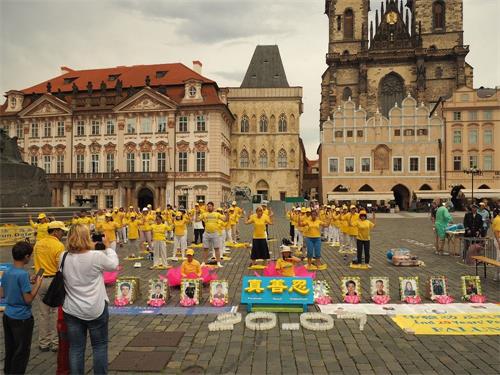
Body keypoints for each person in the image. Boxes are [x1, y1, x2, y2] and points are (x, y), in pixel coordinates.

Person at [62, 224, 119, 375]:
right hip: (95, 307)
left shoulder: (63, 256)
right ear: (87, 237)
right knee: (99, 346)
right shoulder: (96, 256)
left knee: (76, 348)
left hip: (72, 309)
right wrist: (108, 248)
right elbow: (114, 266)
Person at [1, 241, 43, 374]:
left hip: (8, 315)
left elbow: (2, 293)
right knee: (22, 352)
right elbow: (28, 299)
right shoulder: (23, 274)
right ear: (26, 257)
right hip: (22, 318)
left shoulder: (7, 272)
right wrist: (37, 284)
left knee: (11, 349)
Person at [33, 220, 68, 352]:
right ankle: (55, 342)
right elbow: (60, 266)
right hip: (54, 281)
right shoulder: (58, 245)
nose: (62, 234)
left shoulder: (38, 244)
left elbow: (39, 265)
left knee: (43, 313)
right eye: (61, 231)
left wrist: (40, 276)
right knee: (55, 313)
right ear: (55, 231)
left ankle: (43, 342)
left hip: (40, 280)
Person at [196, 202, 227, 267]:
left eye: (210, 206)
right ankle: (204, 262)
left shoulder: (217, 214)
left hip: (215, 233)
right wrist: (197, 213)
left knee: (216, 248)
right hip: (206, 233)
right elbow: (197, 220)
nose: (209, 207)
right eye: (208, 206)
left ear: (213, 207)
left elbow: (225, 220)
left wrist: (227, 213)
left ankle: (218, 262)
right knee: (205, 248)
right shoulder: (204, 214)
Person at [493, 211, 500, 281]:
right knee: (498, 258)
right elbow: (496, 232)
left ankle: (496, 275)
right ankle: (496, 275)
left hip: (497, 239)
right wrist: (498, 242)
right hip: (499, 239)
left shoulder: (496, 218)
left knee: (498, 258)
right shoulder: (498, 220)